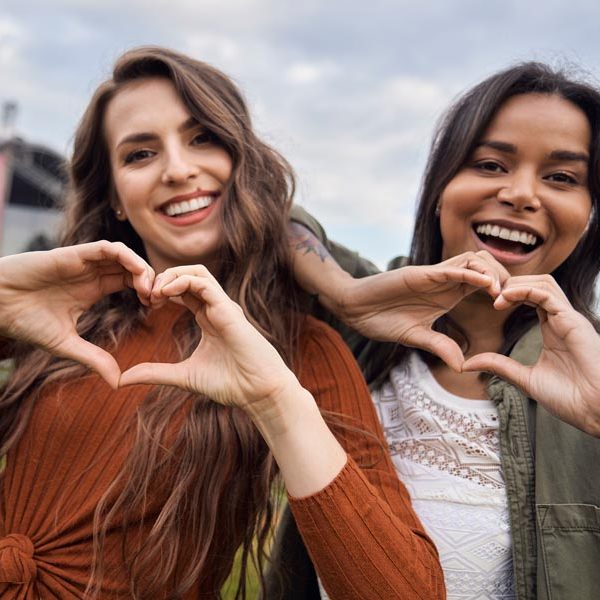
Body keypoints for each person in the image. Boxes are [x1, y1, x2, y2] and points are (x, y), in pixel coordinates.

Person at [0, 47, 453, 599]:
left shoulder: (302, 349)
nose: (177, 169)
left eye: (203, 138)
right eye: (140, 154)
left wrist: (276, 403)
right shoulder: (59, 312)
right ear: (115, 196)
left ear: (242, 162)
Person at [279, 62, 600, 600]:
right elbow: (267, 211)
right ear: (438, 188)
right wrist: (344, 294)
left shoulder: (593, 371)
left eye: (562, 177)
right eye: (490, 164)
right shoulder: (360, 326)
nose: (522, 194)